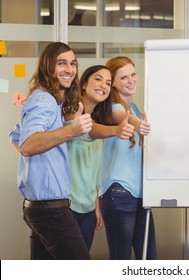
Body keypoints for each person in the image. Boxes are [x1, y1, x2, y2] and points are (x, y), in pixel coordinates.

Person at [10, 42, 92, 259]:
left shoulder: (49, 100)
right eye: (62, 63)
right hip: (49, 211)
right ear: (48, 66)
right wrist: (72, 131)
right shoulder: (44, 99)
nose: (70, 69)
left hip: (40, 208)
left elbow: (16, 136)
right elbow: (28, 145)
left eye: (73, 63)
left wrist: (40, 164)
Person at [63, 65, 133, 251]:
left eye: (108, 83)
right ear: (84, 83)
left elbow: (93, 171)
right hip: (65, 207)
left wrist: (96, 205)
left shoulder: (99, 121)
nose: (104, 85)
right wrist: (115, 131)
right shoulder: (70, 112)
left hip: (87, 209)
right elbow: (89, 130)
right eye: (98, 79)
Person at [99, 56, 157, 260]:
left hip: (140, 195)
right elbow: (122, 118)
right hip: (119, 193)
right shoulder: (112, 106)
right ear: (113, 82)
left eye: (133, 74)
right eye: (123, 77)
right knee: (120, 261)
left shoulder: (134, 107)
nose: (131, 80)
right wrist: (136, 123)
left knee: (149, 259)